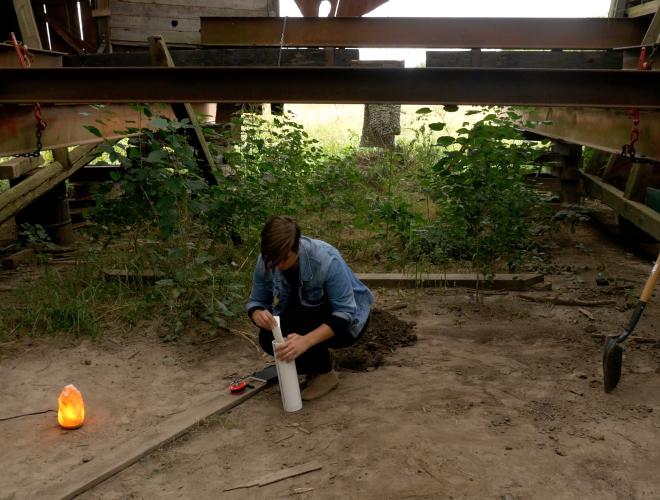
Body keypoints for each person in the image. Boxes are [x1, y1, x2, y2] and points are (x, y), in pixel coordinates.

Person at [246, 215, 373, 400]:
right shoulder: (267, 259)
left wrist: (306, 341)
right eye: (273, 259)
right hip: (308, 314)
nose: (278, 265)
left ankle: (325, 374)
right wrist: (257, 313)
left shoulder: (325, 258)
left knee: (298, 324)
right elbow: (257, 301)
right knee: (268, 337)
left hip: (349, 323)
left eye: (284, 259)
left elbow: (345, 313)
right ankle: (313, 369)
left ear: (297, 246)